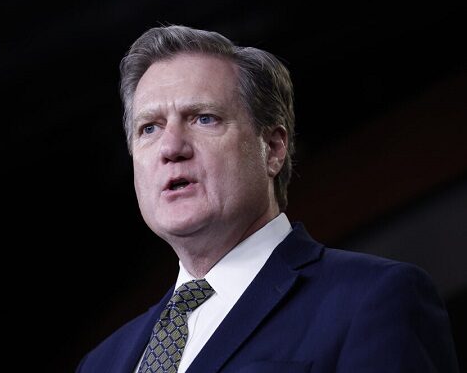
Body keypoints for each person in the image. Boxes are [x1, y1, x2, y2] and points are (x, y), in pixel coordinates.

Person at [76, 24, 459, 373]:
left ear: (273, 148)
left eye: (204, 118)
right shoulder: (101, 363)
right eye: (149, 128)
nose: (171, 147)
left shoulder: (373, 300)